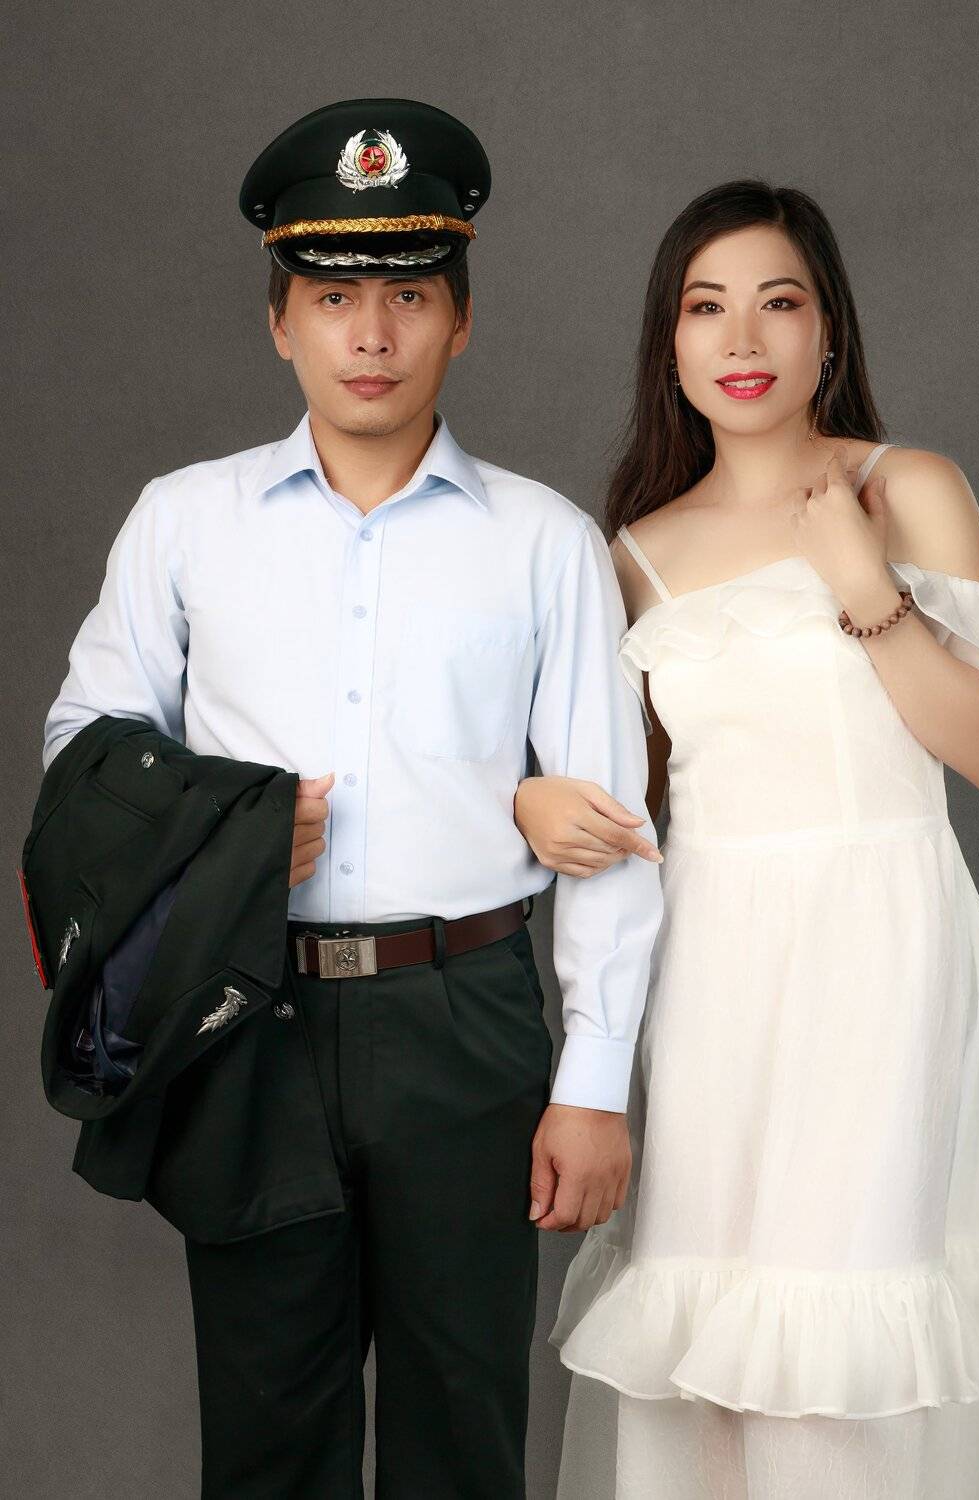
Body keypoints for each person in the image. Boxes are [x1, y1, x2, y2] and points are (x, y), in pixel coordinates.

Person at [40, 97, 663, 1499]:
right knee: (270, 1439)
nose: (371, 335)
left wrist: (594, 1083)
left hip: (467, 1020)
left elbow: (612, 830)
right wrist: (234, 823)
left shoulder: (545, 542)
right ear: (281, 323)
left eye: (408, 297)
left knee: (463, 1431)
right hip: (250, 1019)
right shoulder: (183, 521)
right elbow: (84, 749)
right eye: (333, 298)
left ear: (462, 322)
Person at [512, 179, 979, 1499]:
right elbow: (618, 804)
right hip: (713, 971)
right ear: (671, 344)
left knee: (845, 1335)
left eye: (778, 302)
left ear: (828, 331)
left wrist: (864, 582)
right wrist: (527, 803)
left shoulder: (906, 486)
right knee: (710, 1342)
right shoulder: (631, 555)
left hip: (882, 955)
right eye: (707, 309)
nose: (744, 339)